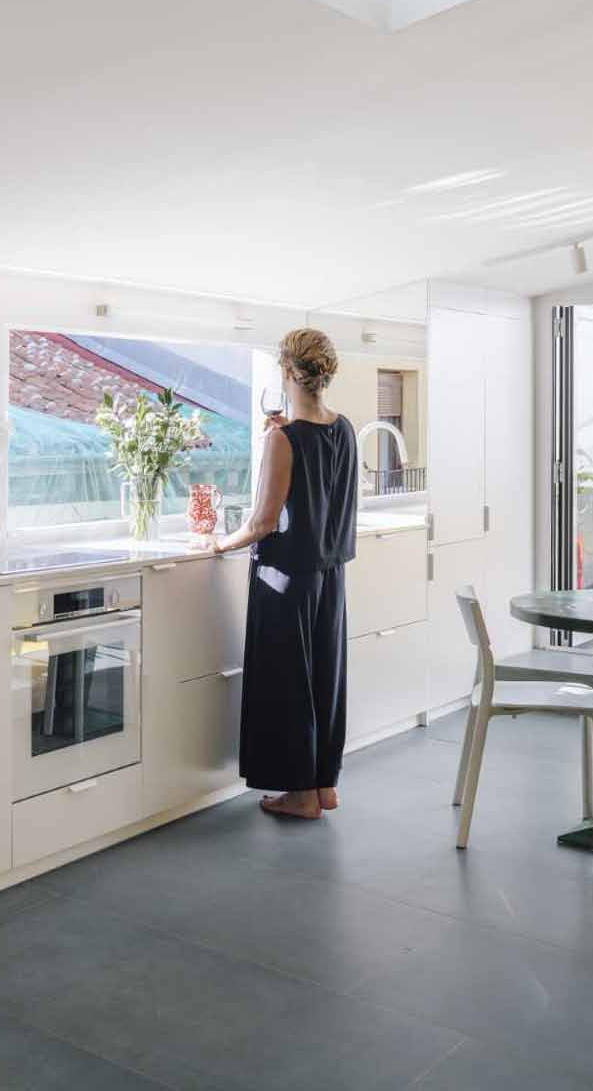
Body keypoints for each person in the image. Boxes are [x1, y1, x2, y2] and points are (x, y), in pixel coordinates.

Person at [215, 326, 359, 820]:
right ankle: (322, 785)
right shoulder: (344, 429)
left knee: (289, 682)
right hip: (331, 577)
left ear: (285, 371)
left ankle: (298, 796)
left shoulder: (285, 439)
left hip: (286, 580)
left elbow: (262, 521)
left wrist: (219, 542)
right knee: (324, 677)